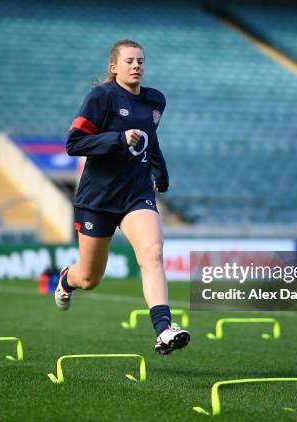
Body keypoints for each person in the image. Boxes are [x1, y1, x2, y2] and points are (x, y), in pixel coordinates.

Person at [55, 39, 190, 355]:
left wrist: (161, 174)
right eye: (129, 61)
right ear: (113, 67)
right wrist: (117, 138)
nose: (136, 66)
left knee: (152, 252)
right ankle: (66, 279)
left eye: (141, 60)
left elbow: (151, 140)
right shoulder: (100, 98)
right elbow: (74, 143)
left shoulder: (155, 101)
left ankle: (164, 330)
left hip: (137, 194)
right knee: (89, 278)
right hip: (98, 199)